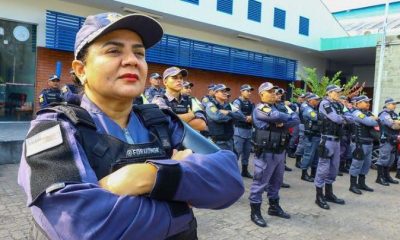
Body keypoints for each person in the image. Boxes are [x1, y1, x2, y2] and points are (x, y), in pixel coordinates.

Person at [18, 12, 244, 240]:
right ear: (81, 70)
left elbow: (229, 178)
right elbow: (79, 225)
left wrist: (148, 176)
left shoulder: (160, 121)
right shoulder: (55, 128)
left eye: (139, 53)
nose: (132, 60)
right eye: (113, 51)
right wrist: (181, 204)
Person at [249, 82, 299, 227]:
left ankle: (274, 207)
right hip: (266, 153)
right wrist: (282, 118)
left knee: (276, 182)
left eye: (274, 91)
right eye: (269, 91)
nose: (273, 94)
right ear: (261, 94)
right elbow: (277, 115)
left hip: (279, 152)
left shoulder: (278, 107)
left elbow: (296, 119)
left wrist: (280, 122)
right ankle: (255, 212)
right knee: (260, 183)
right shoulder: (260, 107)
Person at [315, 85, 350, 210]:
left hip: (337, 140)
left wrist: (343, 119)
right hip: (327, 140)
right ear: (329, 93)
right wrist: (344, 119)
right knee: (323, 168)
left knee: (334, 168)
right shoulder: (325, 104)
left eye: (339, 92)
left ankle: (329, 194)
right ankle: (319, 196)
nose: (338, 94)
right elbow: (335, 118)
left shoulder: (340, 105)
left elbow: (350, 117)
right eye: (336, 92)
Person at [152, 67, 207, 132]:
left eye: (181, 78)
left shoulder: (189, 100)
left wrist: (176, 121)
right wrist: (191, 115)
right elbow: (167, 122)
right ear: (165, 82)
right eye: (174, 77)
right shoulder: (159, 100)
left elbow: (201, 124)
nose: (179, 80)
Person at [348, 95, 378, 194]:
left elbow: (378, 122)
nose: (368, 104)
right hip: (359, 144)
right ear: (358, 103)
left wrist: (374, 119)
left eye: (368, 102)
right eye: (366, 102)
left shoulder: (368, 113)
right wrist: (374, 119)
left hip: (369, 143)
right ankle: (352, 185)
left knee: (366, 164)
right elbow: (370, 122)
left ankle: (361, 183)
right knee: (356, 164)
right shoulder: (357, 113)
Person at [205, 84, 245, 151]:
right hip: (217, 142)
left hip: (229, 141)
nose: (225, 93)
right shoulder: (210, 105)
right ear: (216, 93)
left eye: (226, 91)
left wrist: (228, 112)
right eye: (222, 91)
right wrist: (233, 117)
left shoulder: (229, 105)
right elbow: (218, 117)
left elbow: (241, 117)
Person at [232, 84, 255, 178]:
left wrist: (252, 118)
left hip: (249, 131)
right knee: (237, 152)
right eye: (247, 91)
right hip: (239, 131)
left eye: (250, 91)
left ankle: (244, 171)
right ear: (241, 91)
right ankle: (233, 172)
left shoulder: (251, 103)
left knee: (247, 153)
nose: (249, 93)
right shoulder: (236, 102)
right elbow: (236, 113)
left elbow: (255, 114)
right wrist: (246, 118)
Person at [376, 98, 400, 186]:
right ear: (387, 105)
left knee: (391, 160)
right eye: (393, 104)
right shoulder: (384, 114)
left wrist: (397, 122)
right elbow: (393, 126)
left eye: (395, 104)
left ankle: (387, 176)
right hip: (386, 139)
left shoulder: (394, 114)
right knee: (383, 159)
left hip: (394, 139)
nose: (395, 105)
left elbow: (396, 124)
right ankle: (379, 177)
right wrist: (396, 123)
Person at [300, 93, 321, 182]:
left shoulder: (314, 109)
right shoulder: (308, 109)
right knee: (308, 155)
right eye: (316, 100)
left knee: (316, 156)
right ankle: (304, 174)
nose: (317, 101)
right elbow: (316, 117)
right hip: (310, 136)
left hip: (317, 135)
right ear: (310, 100)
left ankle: (313, 174)